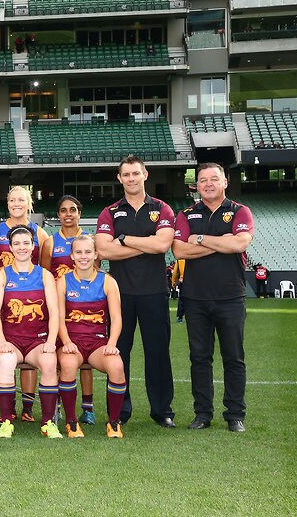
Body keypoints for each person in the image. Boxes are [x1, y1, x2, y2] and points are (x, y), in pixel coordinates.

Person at [96, 155, 176, 428]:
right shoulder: (110, 212)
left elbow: (163, 245)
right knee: (118, 353)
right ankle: (120, 410)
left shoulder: (162, 208)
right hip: (120, 295)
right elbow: (104, 250)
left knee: (158, 353)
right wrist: (147, 243)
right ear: (119, 179)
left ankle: (162, 410)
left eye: (135, 173)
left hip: (154, 292)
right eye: (126, 174)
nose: (131, 178)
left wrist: (125, 240)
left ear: (145, 175)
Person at [173, 163, 254, 432]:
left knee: (233, 357)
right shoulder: (186, 214)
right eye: (202, 180)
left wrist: (199, 239)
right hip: (195, 298)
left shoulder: (239, 211)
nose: (208, 184)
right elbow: (179, 250)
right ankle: (203, 414)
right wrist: (220, 242)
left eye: (214, 179)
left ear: (225, 182)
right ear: (196, 184)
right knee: (200, 358)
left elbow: (239, 243)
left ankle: (234, 414)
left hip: (230, 297)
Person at [0, 225, 63, 439]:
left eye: (26, 243)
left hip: (37, 341)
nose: (21, 247)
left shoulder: (45, 275)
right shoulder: (1, 276)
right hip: (10, 340)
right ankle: (6, 422)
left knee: (49, 362)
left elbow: (54, 311)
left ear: (33, 246)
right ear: (10, 247)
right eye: (17, 243)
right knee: (4, 362)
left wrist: (50, 341)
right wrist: (1, 341)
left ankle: (48, 423)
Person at [56, 234, 128, 439]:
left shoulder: (108, 281)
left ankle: (113, 423)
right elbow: (59, 318)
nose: (83, 256)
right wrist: (67, 342)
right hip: (72, 342)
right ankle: (72, 422)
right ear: (72, 256)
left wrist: (112, 344)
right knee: (68, 365)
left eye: (88, 252)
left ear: (96, 254)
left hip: (98, 342)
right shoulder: (63, 281)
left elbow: (116, 318)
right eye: (78, 252)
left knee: (116, 366)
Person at [40, 195, 97, 425]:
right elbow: (45, 274)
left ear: (79, 213)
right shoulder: (51, 243)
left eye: (72, 209)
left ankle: (88, 407)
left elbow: (95, 271)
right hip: (57, 307)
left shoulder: (89, 241)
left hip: (83, 306)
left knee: (85, 356)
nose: (68, 214)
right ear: (58, 215)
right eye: (63, 210)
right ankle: (59, 407)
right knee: (58, 356)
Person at [0, 186, 49, 423]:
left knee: (32, 360)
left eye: (21, 199)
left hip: (31, 293)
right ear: (7, 203)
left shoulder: (40, 234)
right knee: (7, 354)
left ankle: (27, 407)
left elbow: (45, 266)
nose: (16, 203)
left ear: (29, 203)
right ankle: (9, 409)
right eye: (12, 199)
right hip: (5, 290)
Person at [171, 258, 186, 323]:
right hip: (193, 281)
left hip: (182, 281)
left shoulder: (180, 259)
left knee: (182, 300)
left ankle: (180, 317)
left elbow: (175, 272)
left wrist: (173, 282)